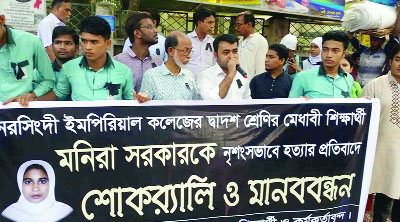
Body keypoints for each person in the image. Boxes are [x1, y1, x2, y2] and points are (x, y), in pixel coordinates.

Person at [361, 44, 400, 222]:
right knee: (384, 197)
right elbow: (361, 120)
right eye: (398, 60)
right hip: (382, 152)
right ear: (390, 61)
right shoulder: (375, 85)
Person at [53, 16, 133, 101]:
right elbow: (58, 100)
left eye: (94, 42)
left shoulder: (124, 72)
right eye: (84, 41)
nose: (87, 47)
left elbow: (131, 105)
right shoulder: (68, 68)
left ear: (108, 44)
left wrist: (143, 101)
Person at [0, 9, 55, 107]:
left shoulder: (31, 42)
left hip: (22, 110)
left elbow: (48, 80)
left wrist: (32, 95)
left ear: (2, 20)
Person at [1, 160, 73, 222]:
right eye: (28, 182)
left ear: (51, 183)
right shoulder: (9, 212)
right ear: (20, 184)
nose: (35, 188)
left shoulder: (64, 210)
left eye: (42, 181)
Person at [289, 31, 354, 98]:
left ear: (343, 54)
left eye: (335, 51)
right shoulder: (302, 77)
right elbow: (291, 107)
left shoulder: (348, 78)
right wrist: (299, 104)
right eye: (325, 50)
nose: (329, 55)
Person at [136, 31, 199, 102]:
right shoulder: (151, 76)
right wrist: (143, 98)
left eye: (190, 51)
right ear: (171, 51)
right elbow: (145, 105)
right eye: (185, 51)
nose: (189, 56)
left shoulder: (189, 75)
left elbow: (194, 105)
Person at [114, 12, 162, 93]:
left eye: (154, 27)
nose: (156, 31)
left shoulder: (159, 63)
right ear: (137, 33)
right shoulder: (117, 63)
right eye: (150, 27)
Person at [197, 34, 251, 100]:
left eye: (235, 51)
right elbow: (210, 100)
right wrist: (230, 75)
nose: (231, 56)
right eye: (226, 52)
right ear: (216, 55)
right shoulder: (205, 75)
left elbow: (248, 102)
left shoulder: (242, 75)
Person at [236, 11, 268, 81]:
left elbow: (261, 69)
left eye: (239, 25)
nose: (236, 28)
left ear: (249, 24)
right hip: (237, 84)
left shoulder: (260, 41)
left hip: (250, 85)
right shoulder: (240, 40)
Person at [186, 6, 216, 79]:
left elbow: (215, 63)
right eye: (209, 23)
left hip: (208, 83)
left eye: (213, 23)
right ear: (199, 23)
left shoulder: (213, 42)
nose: (212, 26)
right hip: (189, 82)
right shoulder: (186, 40)